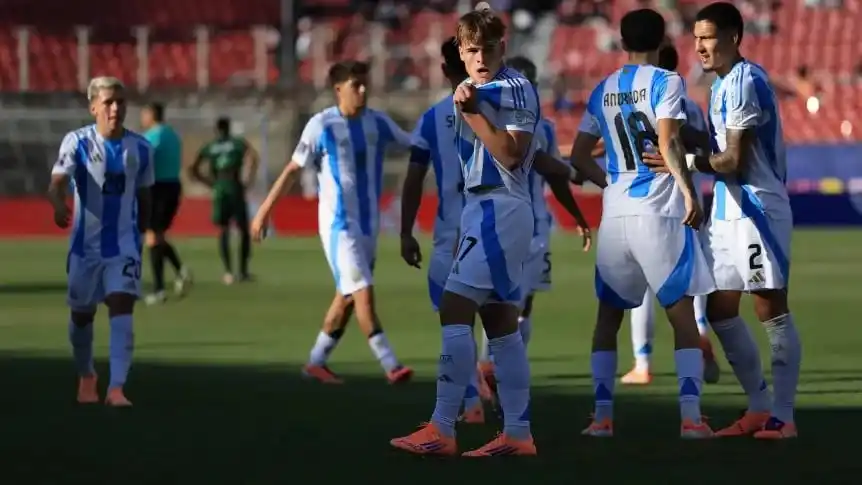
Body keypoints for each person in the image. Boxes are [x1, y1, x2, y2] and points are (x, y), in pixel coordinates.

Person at [391, 4, 546, 457]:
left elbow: (512, 154)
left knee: (455, 309)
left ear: (505, 47)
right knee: (500, 324)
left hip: (502, 208)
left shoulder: (513, 88)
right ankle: (517, 433)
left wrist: (476, 113)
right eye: (472, 49)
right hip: (486, 211)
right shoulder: (470, 88)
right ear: (460, 51)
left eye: (489, 48)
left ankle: (443, 428)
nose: (480, 57)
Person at [645, 2, 800, 439]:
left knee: (770, 305)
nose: (699, 47)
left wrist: (682, 160)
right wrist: (668, 131)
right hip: (729, 211)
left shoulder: (746, 81)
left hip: (757, 209)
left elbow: (732, 160)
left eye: (708, 38)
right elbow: (715, 145)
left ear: (734, 37)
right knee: (719, 308)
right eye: (695, 39)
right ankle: (758, 406)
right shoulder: (721, 87)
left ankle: (784, 417)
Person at [570, 8, 715, 439]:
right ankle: (691, 419)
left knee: (607, 320)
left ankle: (601, 418)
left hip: (615, 216)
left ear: (621, 42)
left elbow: (578, 156)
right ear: (662, 39)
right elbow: (668, 140)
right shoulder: (666, 81)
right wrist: (689, 191)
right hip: (658, 212)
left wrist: (609, 182)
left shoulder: (603, 88)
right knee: (683, 316)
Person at [249, 60, 414, 385]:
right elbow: (293, 170)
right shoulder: (321, 125)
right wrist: (264, 211)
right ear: (339, 89)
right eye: (357, 85)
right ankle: (391, 365)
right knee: (363, 292)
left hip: (369, 226)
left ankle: (316, 361)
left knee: (348, 296)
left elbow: (415, 144)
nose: (363, 90)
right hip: (339, 227)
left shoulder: (378, 123)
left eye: (366, 84)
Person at [47, 76, 153, 407]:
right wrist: (57, 203)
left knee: (122, 305)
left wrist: (144, 234)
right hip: (84, 249)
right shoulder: (77, 142)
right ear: (93, 107)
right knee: (82, 316)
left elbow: (146, 195)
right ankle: (87, 374)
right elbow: (57, 181)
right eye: (108, 102)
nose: (116, 108)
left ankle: (117, 388)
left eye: (120, 101)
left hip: (123, 246)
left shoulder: (141, 148)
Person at [622, 43, 721, 386]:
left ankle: (642, 362)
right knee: (690, 281)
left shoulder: (643, 100)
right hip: (689, 202)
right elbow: (707, 146)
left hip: (650, 204)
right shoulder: (691, 105)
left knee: (642, 289)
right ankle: (702, 332)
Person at [190, 117, 259, 284]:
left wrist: (208, 183)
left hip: (219, 188)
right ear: (229, 128)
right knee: (243, 230)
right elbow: (253, 156)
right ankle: (243, 271)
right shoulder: (237, 143)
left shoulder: (210, 146)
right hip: (235, 186)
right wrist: (248, 179)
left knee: (223, 230)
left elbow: (193, 167)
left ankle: (228, 272)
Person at [140, 102, 192, 305]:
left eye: (144, 114)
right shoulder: (172, 134)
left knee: (152, 238)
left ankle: (160, 289)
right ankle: (181, 271)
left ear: (151, 115)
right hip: (172, 186)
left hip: (158, 188)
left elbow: (141, 158)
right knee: (157, 236)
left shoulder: (154, 135)